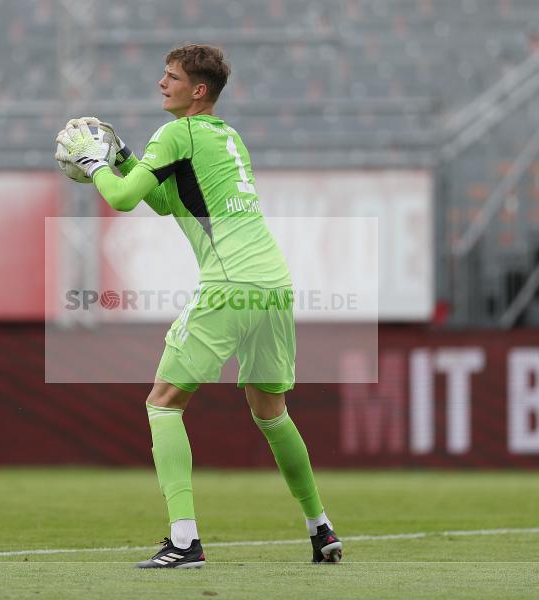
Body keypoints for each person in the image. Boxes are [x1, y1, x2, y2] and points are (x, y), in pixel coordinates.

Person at [55, 43, 342, 569]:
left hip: (230, 282)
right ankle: (320, 528)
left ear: (198, 90)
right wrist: (123, 160)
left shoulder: (176, 132)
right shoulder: (227, 136)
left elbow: (120, 199)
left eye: (171, 77)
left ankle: (184, 541)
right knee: (271, 412)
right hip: (274, 284)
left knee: (162, 403)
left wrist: (97, 165)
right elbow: (170, 203)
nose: (162, 84)